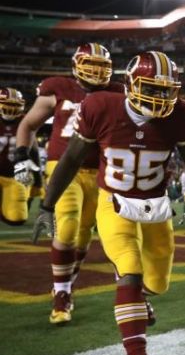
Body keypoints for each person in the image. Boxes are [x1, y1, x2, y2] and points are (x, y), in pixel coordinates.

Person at [37, 51, 185, 355]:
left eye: (167, 89)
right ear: (131, 84)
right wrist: (48, 206)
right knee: (129, 270)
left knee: (157, 282)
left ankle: (140, 295)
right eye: (152, 87)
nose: (161, 97)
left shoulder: (182, 114)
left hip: (157, 206)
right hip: (114, 202)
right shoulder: (101, 107)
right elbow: (72, 159)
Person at [15, 43, 125, 325]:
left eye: (102, 67)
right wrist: (22, 158)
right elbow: (28, 125)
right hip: (63, 167)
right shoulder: (58, 88)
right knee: (66, 225)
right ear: (76, 65)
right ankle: (61, 295)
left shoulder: (116, 92)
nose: (97, 72)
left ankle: (65, 285)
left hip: (98, 171)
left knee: (84, 234)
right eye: (91, 66)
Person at [1, 88, 33, 226]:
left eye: (14, 105)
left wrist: (37, 182)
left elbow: (33, 150)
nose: (11, 108)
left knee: (17, 217)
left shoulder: (25, 121)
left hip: (14, 175)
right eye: (7, 104)